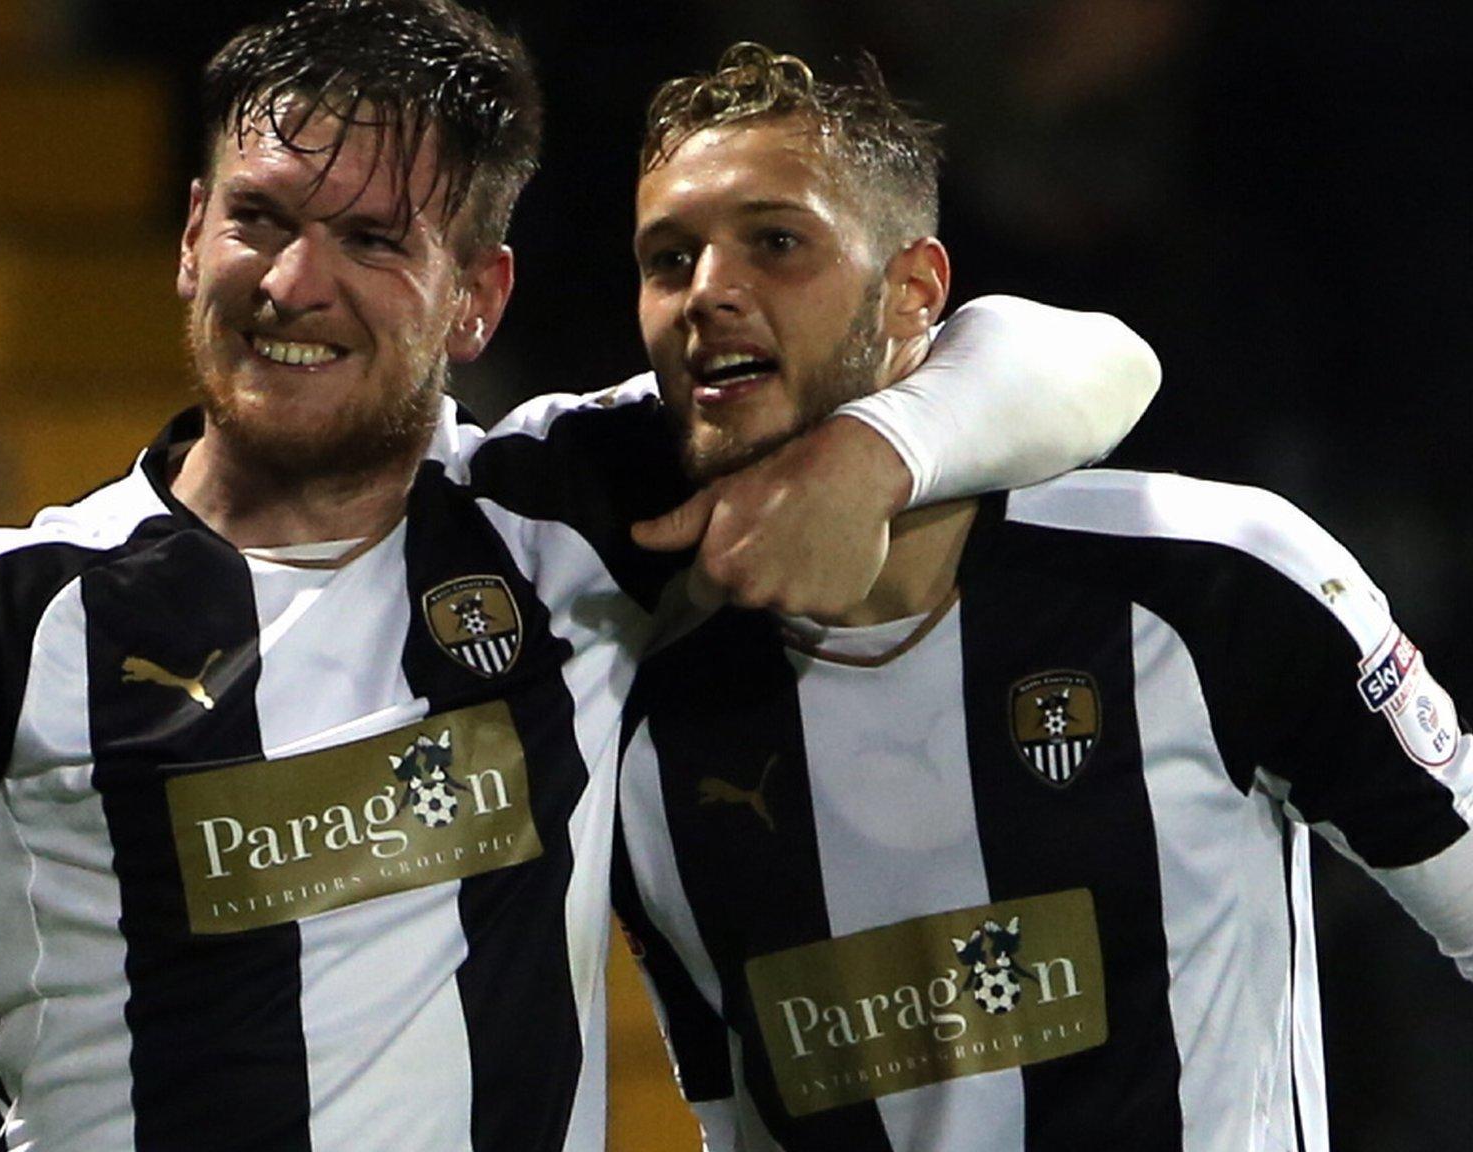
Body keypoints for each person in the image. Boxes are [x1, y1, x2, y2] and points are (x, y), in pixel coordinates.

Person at [0, 4, 1159, 1149]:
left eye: (370, 240)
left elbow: (1074, 360)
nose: (294, 280)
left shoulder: (563, 510)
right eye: (260, 217)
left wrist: (872, 455)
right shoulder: (2, 623)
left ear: (475, 302)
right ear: (189, 234)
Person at [611, 43, 1473, 1151]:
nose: (708, 292)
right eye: (666, 258)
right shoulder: (631, 707)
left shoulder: (1206, 581)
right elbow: (731, 1115)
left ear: (915, 291)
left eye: (775, 243)